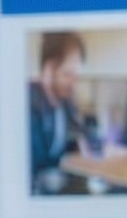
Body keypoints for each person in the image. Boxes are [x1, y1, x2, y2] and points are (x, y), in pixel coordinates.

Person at [28, 31, 88, 192]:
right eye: (67, 74)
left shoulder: (65, 101)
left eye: (76, 75)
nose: (74, 83)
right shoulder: (28, 106)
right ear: (48, 70)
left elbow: (79, 134)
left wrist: (81, 142)